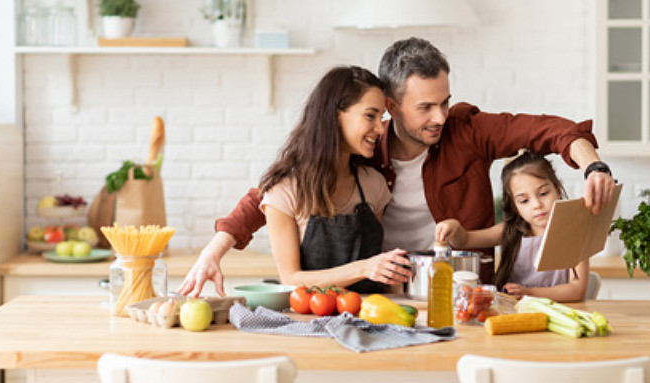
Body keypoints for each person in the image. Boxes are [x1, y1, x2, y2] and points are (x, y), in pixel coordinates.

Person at [178, 37, 616, 298]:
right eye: (425, 107)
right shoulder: (365, 149)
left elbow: (549, 130)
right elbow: (273, 193)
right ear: (391, 106)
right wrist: (211, 253)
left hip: (464, 295)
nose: (440, 117)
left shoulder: (468, 131)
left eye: (444, 101)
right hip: (387, 296)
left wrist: (592, 165)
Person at [254, 65, 409, 292]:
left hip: (372, 317)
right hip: (311, 320)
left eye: (381, 117)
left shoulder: (374, 185)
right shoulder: (284, 191)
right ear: (336, 116)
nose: (380, 128)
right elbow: (291, 278)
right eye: (370, 116)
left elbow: (378, 275)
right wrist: (364, 268)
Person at [436, 150, 588, 302]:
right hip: (512, 313)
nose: (537, 205)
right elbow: (465, 241)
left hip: (558, 314)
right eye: (524, 201)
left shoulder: (573, 234)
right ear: (515, 206)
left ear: (558, 190)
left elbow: (577, 290)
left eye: (543, 193)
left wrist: (529, 293)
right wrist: (454, 227)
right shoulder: (509, 231)